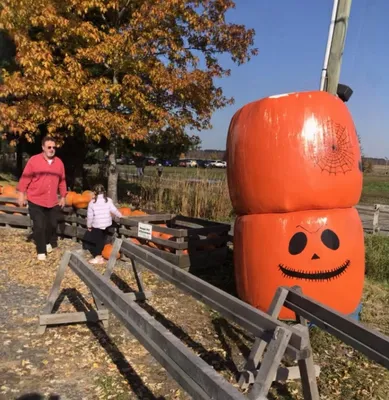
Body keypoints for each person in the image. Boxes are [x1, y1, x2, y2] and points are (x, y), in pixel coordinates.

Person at [17, 136, 67, 261]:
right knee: (39, 225)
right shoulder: (34, 161)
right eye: (49, 147)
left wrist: (63, 196)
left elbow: (62, 181)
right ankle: (41, 251)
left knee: (51, 224)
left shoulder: (59, 163)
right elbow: (25, 177)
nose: (51, 149)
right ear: (43, 147)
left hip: (52, 201)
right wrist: (22, 194)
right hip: (35, 199)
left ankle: (46, 242)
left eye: (54, 147)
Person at [86, 184, 123, 264]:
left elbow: (90, 216)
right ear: (104, 192)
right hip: (107, 224)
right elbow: (114, 210)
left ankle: (98, 257)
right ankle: (101, 256)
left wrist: (89, 225)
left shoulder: (92, 203)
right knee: (102, 240)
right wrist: (120, 215)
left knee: (97, 241)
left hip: (97, 224)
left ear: (94, 192)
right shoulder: (108, 200)